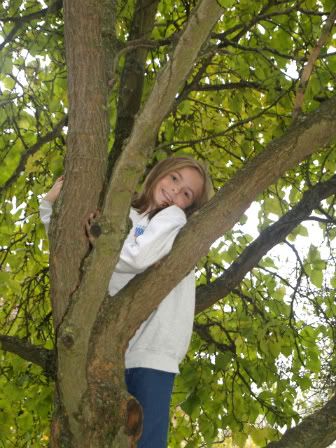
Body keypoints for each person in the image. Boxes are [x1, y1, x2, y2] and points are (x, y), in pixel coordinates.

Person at [40, 157, 212, 447]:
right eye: (174, 179)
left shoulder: (172, 219)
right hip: (113, 347)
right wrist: (48, 206)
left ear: (188, 207)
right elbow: (68, 247)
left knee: (146, 440)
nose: (175, 192)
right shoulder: (122, 214)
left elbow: (136, 258)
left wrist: (103, 245)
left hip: (154, 349)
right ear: (160, 173)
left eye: (187, 194)